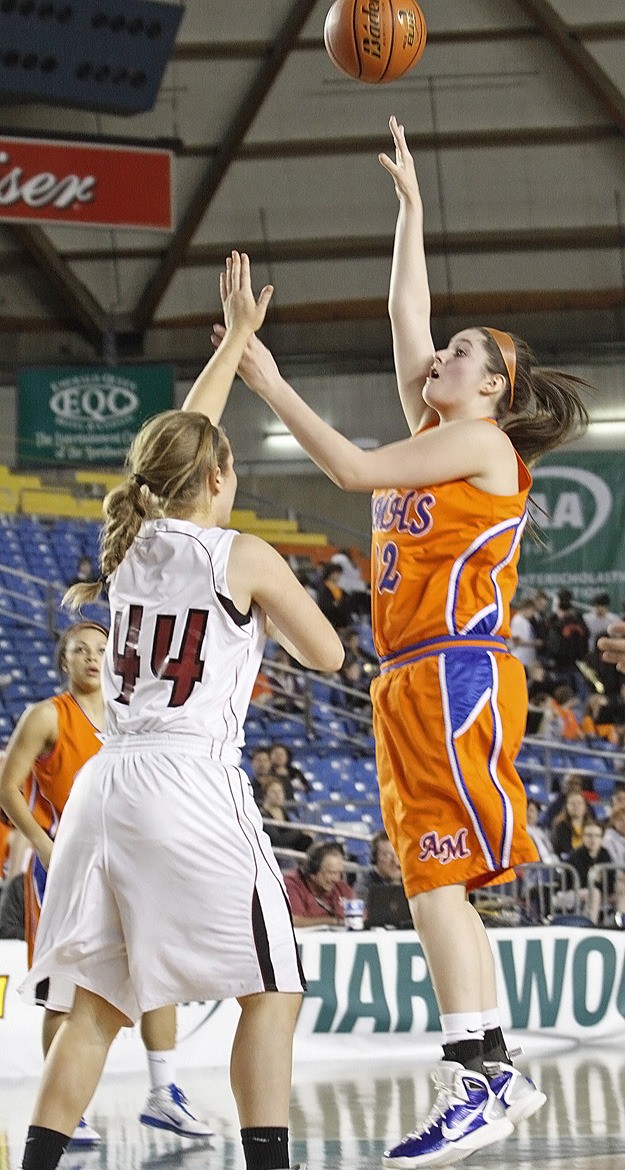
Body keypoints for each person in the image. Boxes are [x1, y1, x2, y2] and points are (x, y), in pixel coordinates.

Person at [212, 120, 590, 1167]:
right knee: (428, 877)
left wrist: (266, 379)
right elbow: (402, 311)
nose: (439, 354)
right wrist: (411, 212)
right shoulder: (441, 432)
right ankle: (487, 1070)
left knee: (435, 880)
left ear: (493, 389)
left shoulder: (481, 446)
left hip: (457, 671)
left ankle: (490, 1076)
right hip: (411, 680)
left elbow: (344, 474)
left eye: (461, 353)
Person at [15, 252, 344, 1170]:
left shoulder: (132, 548)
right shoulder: (242, 555)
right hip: (186, 782)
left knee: (98, 1007)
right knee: (273, 987)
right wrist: (267, 626)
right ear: (223, 475)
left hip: (103, 787)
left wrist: (237, 338)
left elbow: (185, 436)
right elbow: (329, 653)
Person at [0, 622, 211, 1146]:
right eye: (80, 650)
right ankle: (67, 1112)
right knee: (66, 995)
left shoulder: (131, 716)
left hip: (131, 861)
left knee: (154, 970)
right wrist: (47, 847)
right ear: (63, 660)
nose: (93, 658)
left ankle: (164, 1093)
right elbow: (7, 788)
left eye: (101, 650)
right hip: (68, 865)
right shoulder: (47, 714)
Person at [284, 841, 353, 927]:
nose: (337, 879)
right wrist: (332, 921)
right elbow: (294, 921)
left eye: (339, 873)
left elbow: (361, 917)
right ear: (313, 870)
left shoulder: (341, 887)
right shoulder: (292, 883)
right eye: (331, 873)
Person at [354, 830, 403, 901]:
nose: (395, 861)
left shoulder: (411, 883)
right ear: (375, 858)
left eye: (398, 854)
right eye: (387, 855)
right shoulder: (365, 888)